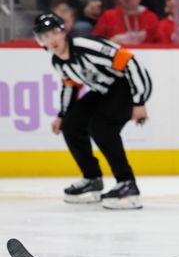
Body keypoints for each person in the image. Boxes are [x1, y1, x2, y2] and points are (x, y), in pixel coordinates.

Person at [33, 12, 152, 209]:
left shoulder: (85, 46)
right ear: (40, 41)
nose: (51, 39)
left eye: (54, 32)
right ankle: (92, 178)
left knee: (101, 128)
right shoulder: (58, 61)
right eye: (45, 36)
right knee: (71, 125)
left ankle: (127, 183)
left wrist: (139, 101)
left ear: (63, 32)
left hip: (126, 85)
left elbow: (130, 62)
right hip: (104, 91)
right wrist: (62, 115)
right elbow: (71, 86)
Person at [92, 0, 160, 44]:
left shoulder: (150, 17)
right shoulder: (108, 16)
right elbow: (95, 42)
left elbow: (160, 44)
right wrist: (111, 41)